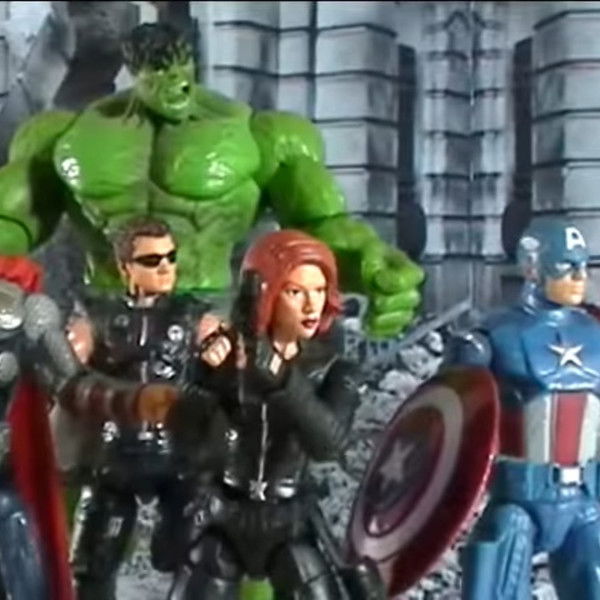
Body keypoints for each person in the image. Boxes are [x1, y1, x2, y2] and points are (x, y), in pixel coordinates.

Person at [0, 22, 423, 339]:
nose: (177, 85)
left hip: (209, 319)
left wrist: (368, 265)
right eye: (159, 73)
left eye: (182, 67)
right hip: (104, 319)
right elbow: (13, 219)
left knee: (212, 428)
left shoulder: (259, 134)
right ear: (136, 72)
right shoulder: (66, 136)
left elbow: (321, 226)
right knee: (87, 424)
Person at [167, 229, 384, 599]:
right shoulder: (231, 357)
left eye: (319, 290)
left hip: (289, 519)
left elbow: (329, 444)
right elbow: (185, 432)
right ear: (266, 294)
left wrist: (281, 377)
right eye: (295, 292)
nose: (311, 305)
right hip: (225, 512)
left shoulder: (334, 370)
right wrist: (203, 374)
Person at [63, 216, 218, 600]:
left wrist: (227, 353)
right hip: (114, 456)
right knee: (92, 563)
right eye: (151, 260)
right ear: (124, 267)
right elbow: (65, 373)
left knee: (198, 558)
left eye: (170, 257)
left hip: (179, 456)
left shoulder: (195, 317)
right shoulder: (97, 317)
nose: (165, 267)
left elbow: (232, 364)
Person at [444, 218, 600, 599]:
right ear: (532, 268)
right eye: (567, 266)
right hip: (518, 501)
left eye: (584, 266)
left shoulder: (594, 332)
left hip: (585, 503)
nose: (581, 277)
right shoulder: (494, 336)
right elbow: (446, 420)